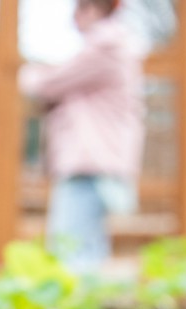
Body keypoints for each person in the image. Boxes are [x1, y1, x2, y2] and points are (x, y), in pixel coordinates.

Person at [20, 0, 144, 270]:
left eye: (79, 9)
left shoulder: (106, 47)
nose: (74, 18)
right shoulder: (113, 47)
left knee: (71, 251)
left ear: (94, 10)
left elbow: (49, 83)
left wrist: (26, 75)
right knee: (88, 248)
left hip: (90, 162)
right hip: (99, 162)